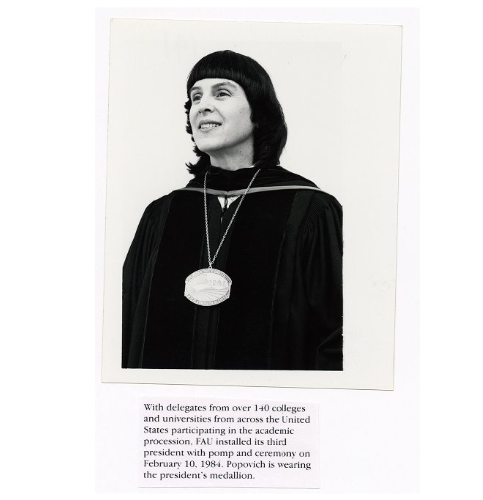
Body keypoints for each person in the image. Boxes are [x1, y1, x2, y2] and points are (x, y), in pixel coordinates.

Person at [122, 50, 343, 370]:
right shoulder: (162, 214)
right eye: (195, 97)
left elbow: (336, 338)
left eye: (221, 93)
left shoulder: (309, 209)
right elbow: (126, 329)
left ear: (258, 113)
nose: (202, 106)